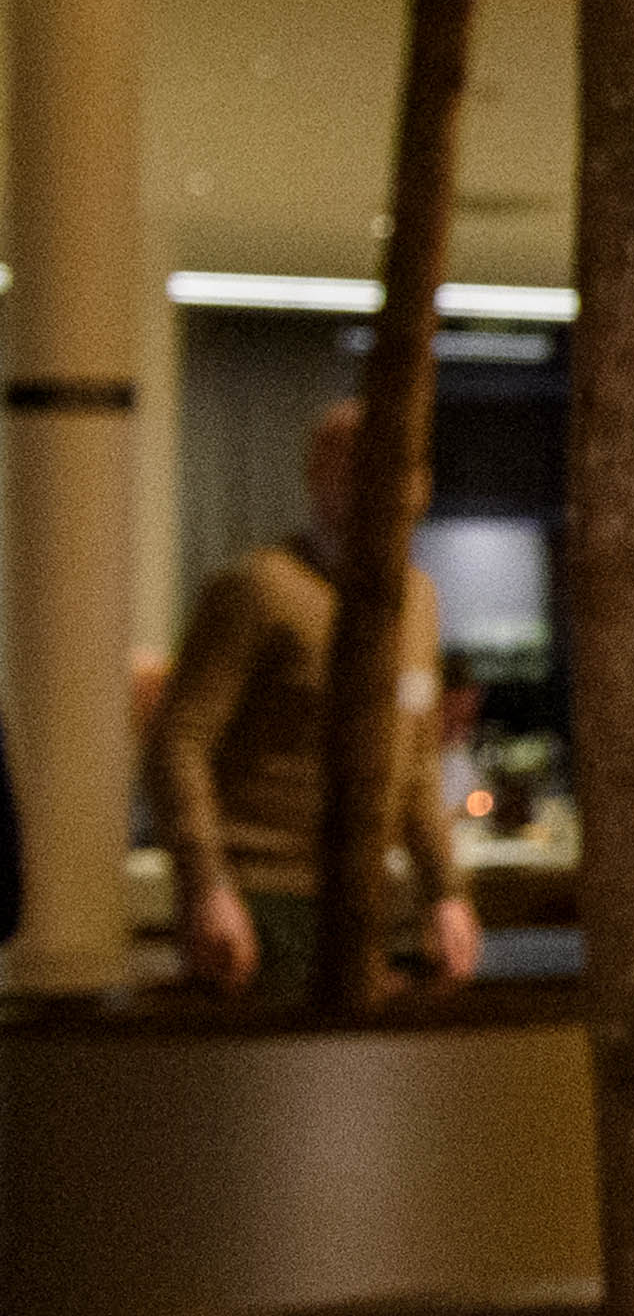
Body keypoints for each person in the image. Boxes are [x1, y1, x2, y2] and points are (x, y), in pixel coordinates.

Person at [150, 395, 478, 1003]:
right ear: (320, 477)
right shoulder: (260, 590)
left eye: (402, 470)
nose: (384, 490)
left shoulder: (416, 601)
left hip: (368, 896)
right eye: (355, 468)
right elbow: (179, 743)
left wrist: (446, 893)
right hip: (263, 893)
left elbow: (417, 766)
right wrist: (208, 885)